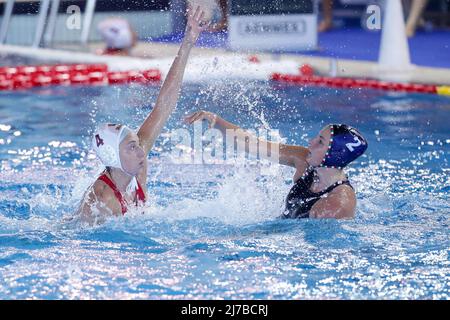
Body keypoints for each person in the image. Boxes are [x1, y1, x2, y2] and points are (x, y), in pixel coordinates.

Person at [75, 7, 209, 225]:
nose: (141, 151)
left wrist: (188, 42)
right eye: (132, 147)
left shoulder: (132, 163)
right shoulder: (102, 203)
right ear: (112, 156)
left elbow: (163, 107)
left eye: (136, 144)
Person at [184, 111, 368, 219]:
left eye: (320, 141)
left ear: (334, 155)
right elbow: (253, 144)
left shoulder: (337, 205)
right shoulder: (304, 160)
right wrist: (215, 121)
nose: (310, 142)